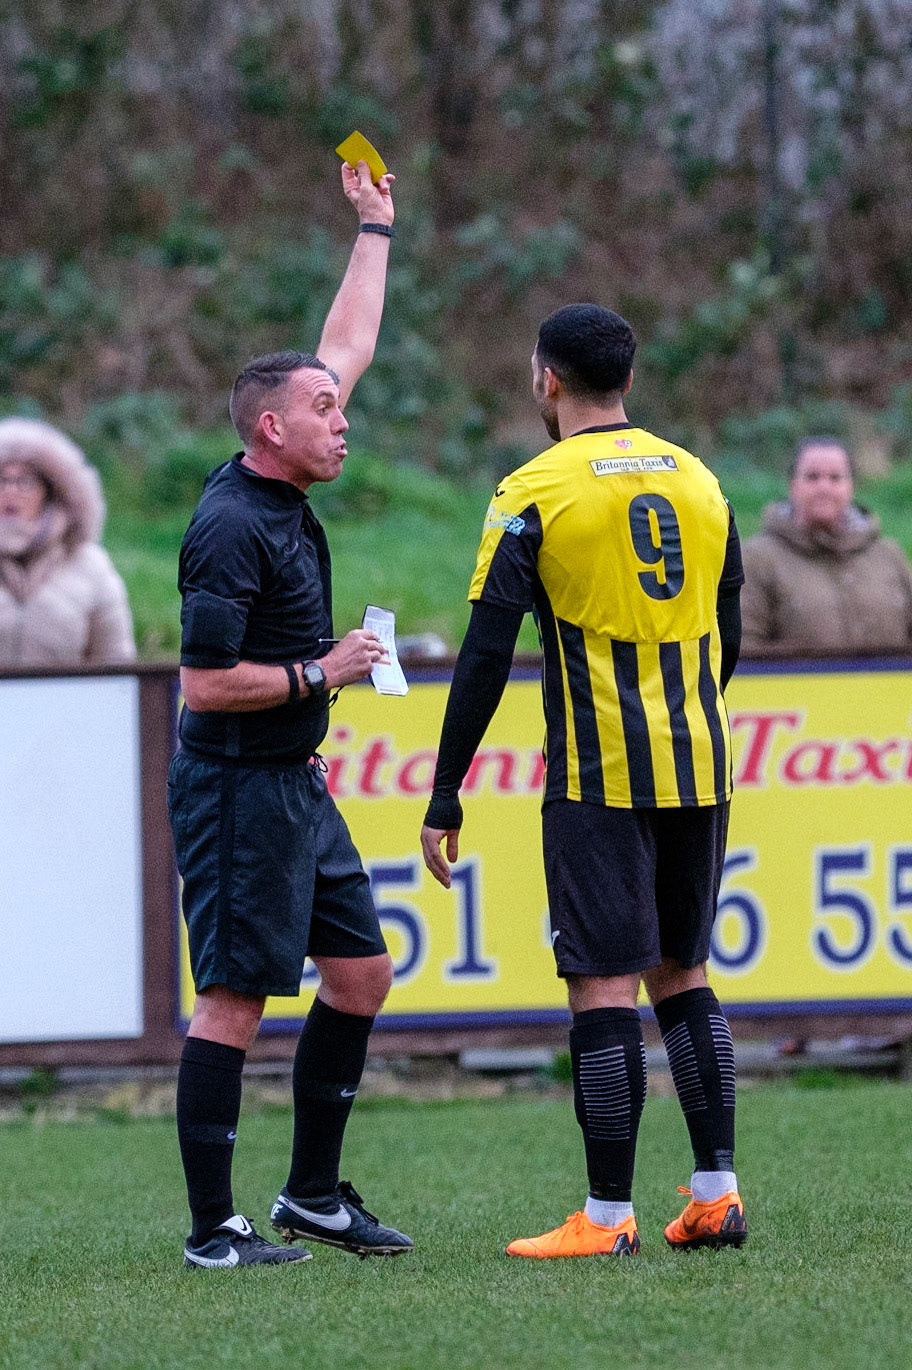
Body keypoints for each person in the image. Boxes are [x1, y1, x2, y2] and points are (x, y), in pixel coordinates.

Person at [420, 304, 746, 1258]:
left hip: (598, 773)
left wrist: (445, 789)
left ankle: (606, 1219)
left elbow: (486, 653)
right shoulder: (700, 479)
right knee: (683, 973)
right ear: (629, 381)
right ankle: (717, 1195)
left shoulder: (532, 491)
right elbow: (730, 626)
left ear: (547, 379)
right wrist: (688, 712)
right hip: (700, 760)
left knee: (602, 986)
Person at [168, 159, 413, 1270]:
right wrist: (325, 671)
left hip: (292, 781)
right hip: (234, 784)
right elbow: (204, 684)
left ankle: (312, 1195)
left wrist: (375, 228)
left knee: (361, 975)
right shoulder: (231, 526)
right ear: (271, 428)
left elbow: (346, 343)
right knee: (232, 999)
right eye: (324, 409)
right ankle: (212, 1230)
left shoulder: (285, 481)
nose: (343, 419)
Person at [741, 436, 912, 657]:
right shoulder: (757, 559)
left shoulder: (888, 555)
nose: (824, 487)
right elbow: (743, 649)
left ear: (851, 486)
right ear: (792, 484)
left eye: (835, 478)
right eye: (812, 477)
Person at [0, 417, 136, 666]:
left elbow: (115, 664)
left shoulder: (90, 566)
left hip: (67, 693)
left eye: (25, 481)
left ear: (51, 491)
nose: (10, 491)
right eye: (1, 480)